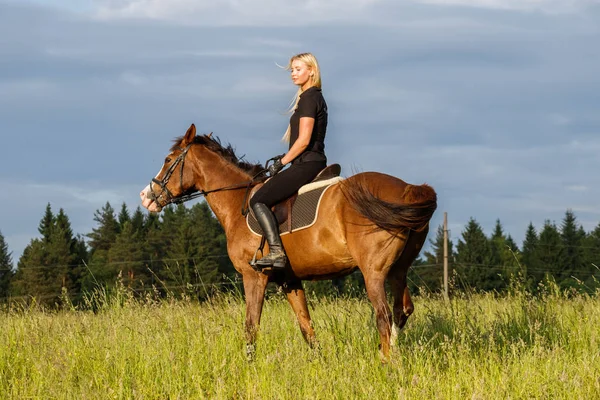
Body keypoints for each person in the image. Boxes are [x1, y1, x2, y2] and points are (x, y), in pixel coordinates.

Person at [250, 52, 328, 269]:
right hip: (310, 161)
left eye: (298, 69)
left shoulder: (310, 98)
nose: (293, 74)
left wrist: (282, 162)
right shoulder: (311, 97)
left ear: (311, 70)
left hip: (307, 163)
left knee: (258, 200)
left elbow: (303, 141)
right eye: (292, 70)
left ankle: (276, 252)